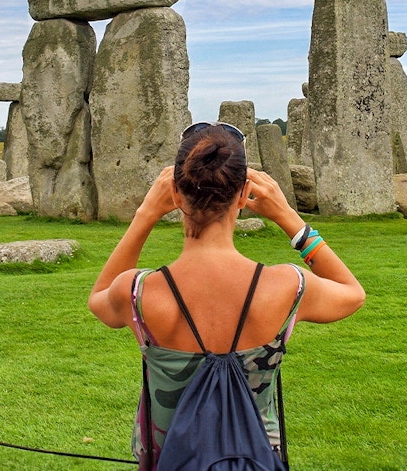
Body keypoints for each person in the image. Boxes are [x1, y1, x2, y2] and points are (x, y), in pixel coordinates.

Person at [88, 121, 365, 468]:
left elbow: (99, 295)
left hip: (170, 460)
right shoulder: (286, 285)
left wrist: (146, 214)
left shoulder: (138, 292)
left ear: (175, 194)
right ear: (243, 193)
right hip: (256, 457)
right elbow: (352, 293)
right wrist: (289, 218)